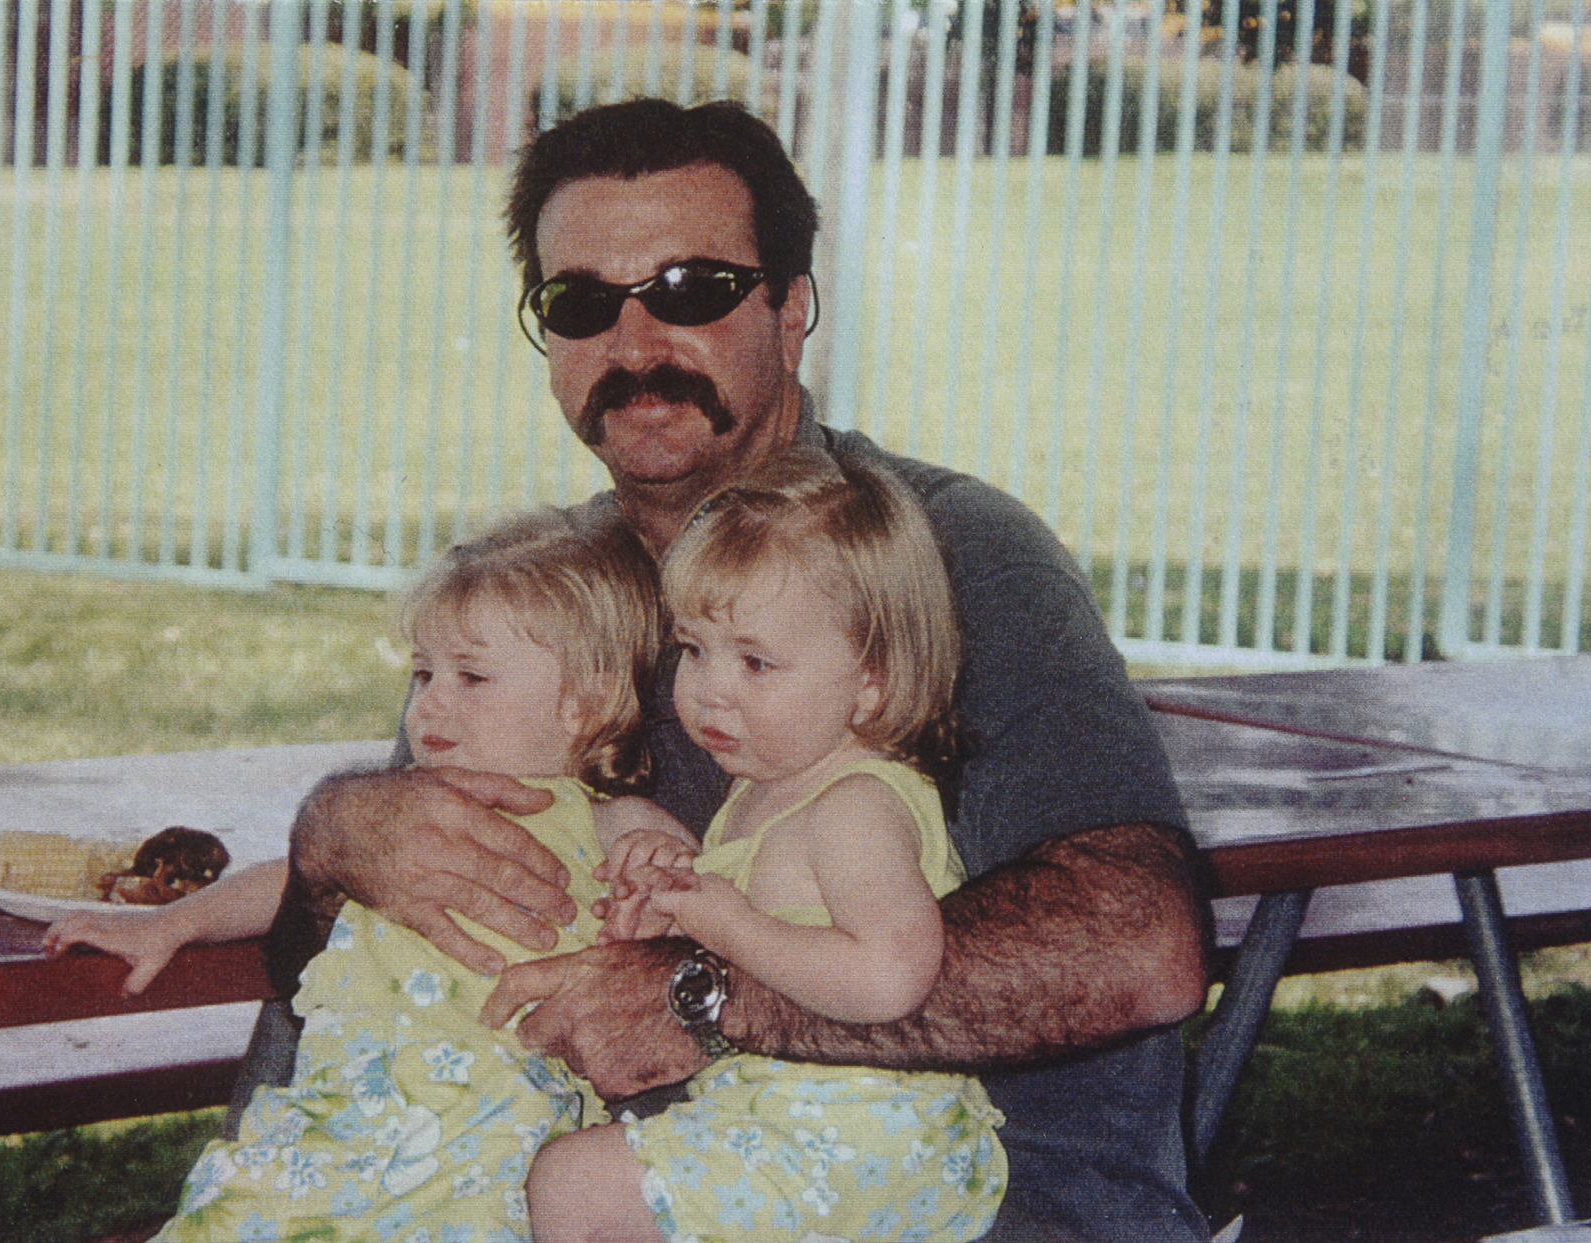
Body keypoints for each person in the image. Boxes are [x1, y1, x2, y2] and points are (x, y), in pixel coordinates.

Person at [69, 97, 1211, 1242]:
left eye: (692, 290)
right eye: (580, 304)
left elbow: (1139, 943)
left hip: (966, 1203)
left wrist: (704, 1000)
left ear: (793, 308)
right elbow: (362, 970)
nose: (633, 345)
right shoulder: (544, 596)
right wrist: (337, 845)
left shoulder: (939, 557)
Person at [64, 508, 696, 1242]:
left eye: (472, 675)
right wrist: (170, 922)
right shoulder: (410, 810)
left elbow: (700, 907)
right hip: (341, 1116)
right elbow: (283, 878)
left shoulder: (612, 822)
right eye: (424, 673)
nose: (430, 703)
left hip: (484, 1136)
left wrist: (660, 890)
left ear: (583, 700)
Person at [527, 446, 1006, 1243]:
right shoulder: (763, 792)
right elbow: (773, 934)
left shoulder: (855, 806)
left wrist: (726, 926)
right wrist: (670, 900)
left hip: (860, 1136)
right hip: (803, 1117)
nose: (710, 687)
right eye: (693, 649)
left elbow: (894, 972)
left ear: (872, 678)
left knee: (571, 1184)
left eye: (755, 660)